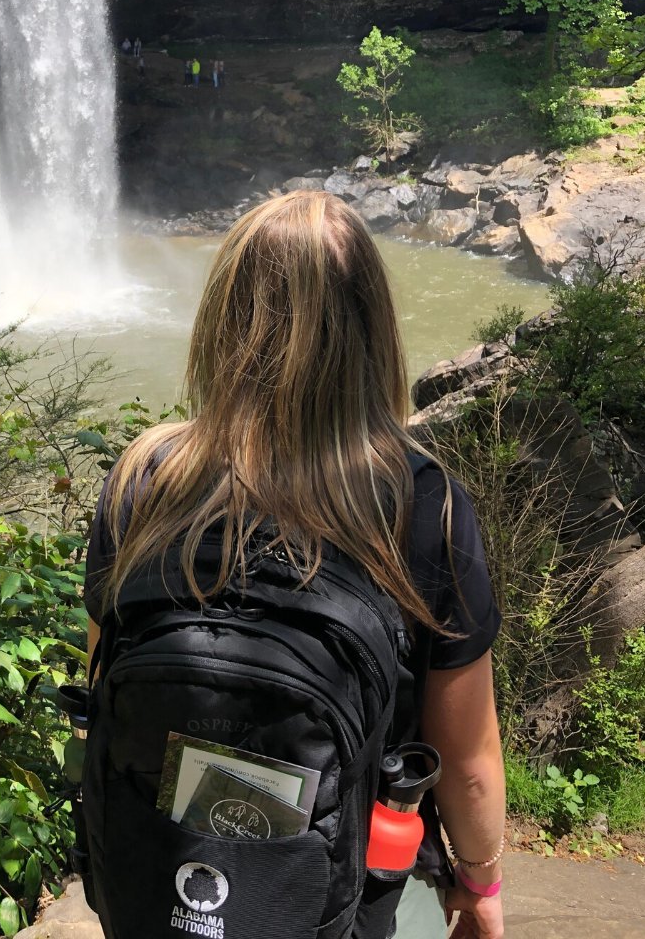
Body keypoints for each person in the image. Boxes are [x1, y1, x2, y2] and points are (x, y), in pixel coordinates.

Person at [84, 191, 506, 939]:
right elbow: (467, 763)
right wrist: (480, 882)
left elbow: (103, 691)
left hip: (153, 885)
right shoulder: (420, 503)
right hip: (331, 903)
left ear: (222, 321)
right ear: (374, 330)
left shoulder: (144, 478)